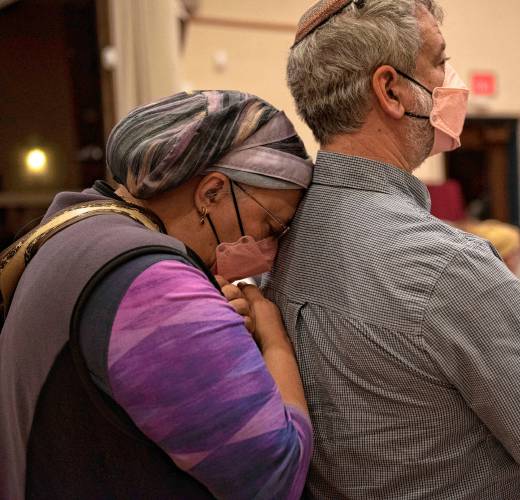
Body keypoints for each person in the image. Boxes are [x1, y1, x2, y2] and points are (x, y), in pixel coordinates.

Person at [0, 91, 314, 499]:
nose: (268, 249)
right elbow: (275, 473)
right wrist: (274, 337)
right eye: (271, 225)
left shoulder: (81, 225)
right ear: (212, 192)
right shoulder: (154, 283)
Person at [264, 0, 520, 498]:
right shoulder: (445, 266)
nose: (452, 80)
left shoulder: (285, 237)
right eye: (440, 62)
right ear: (391, 90)